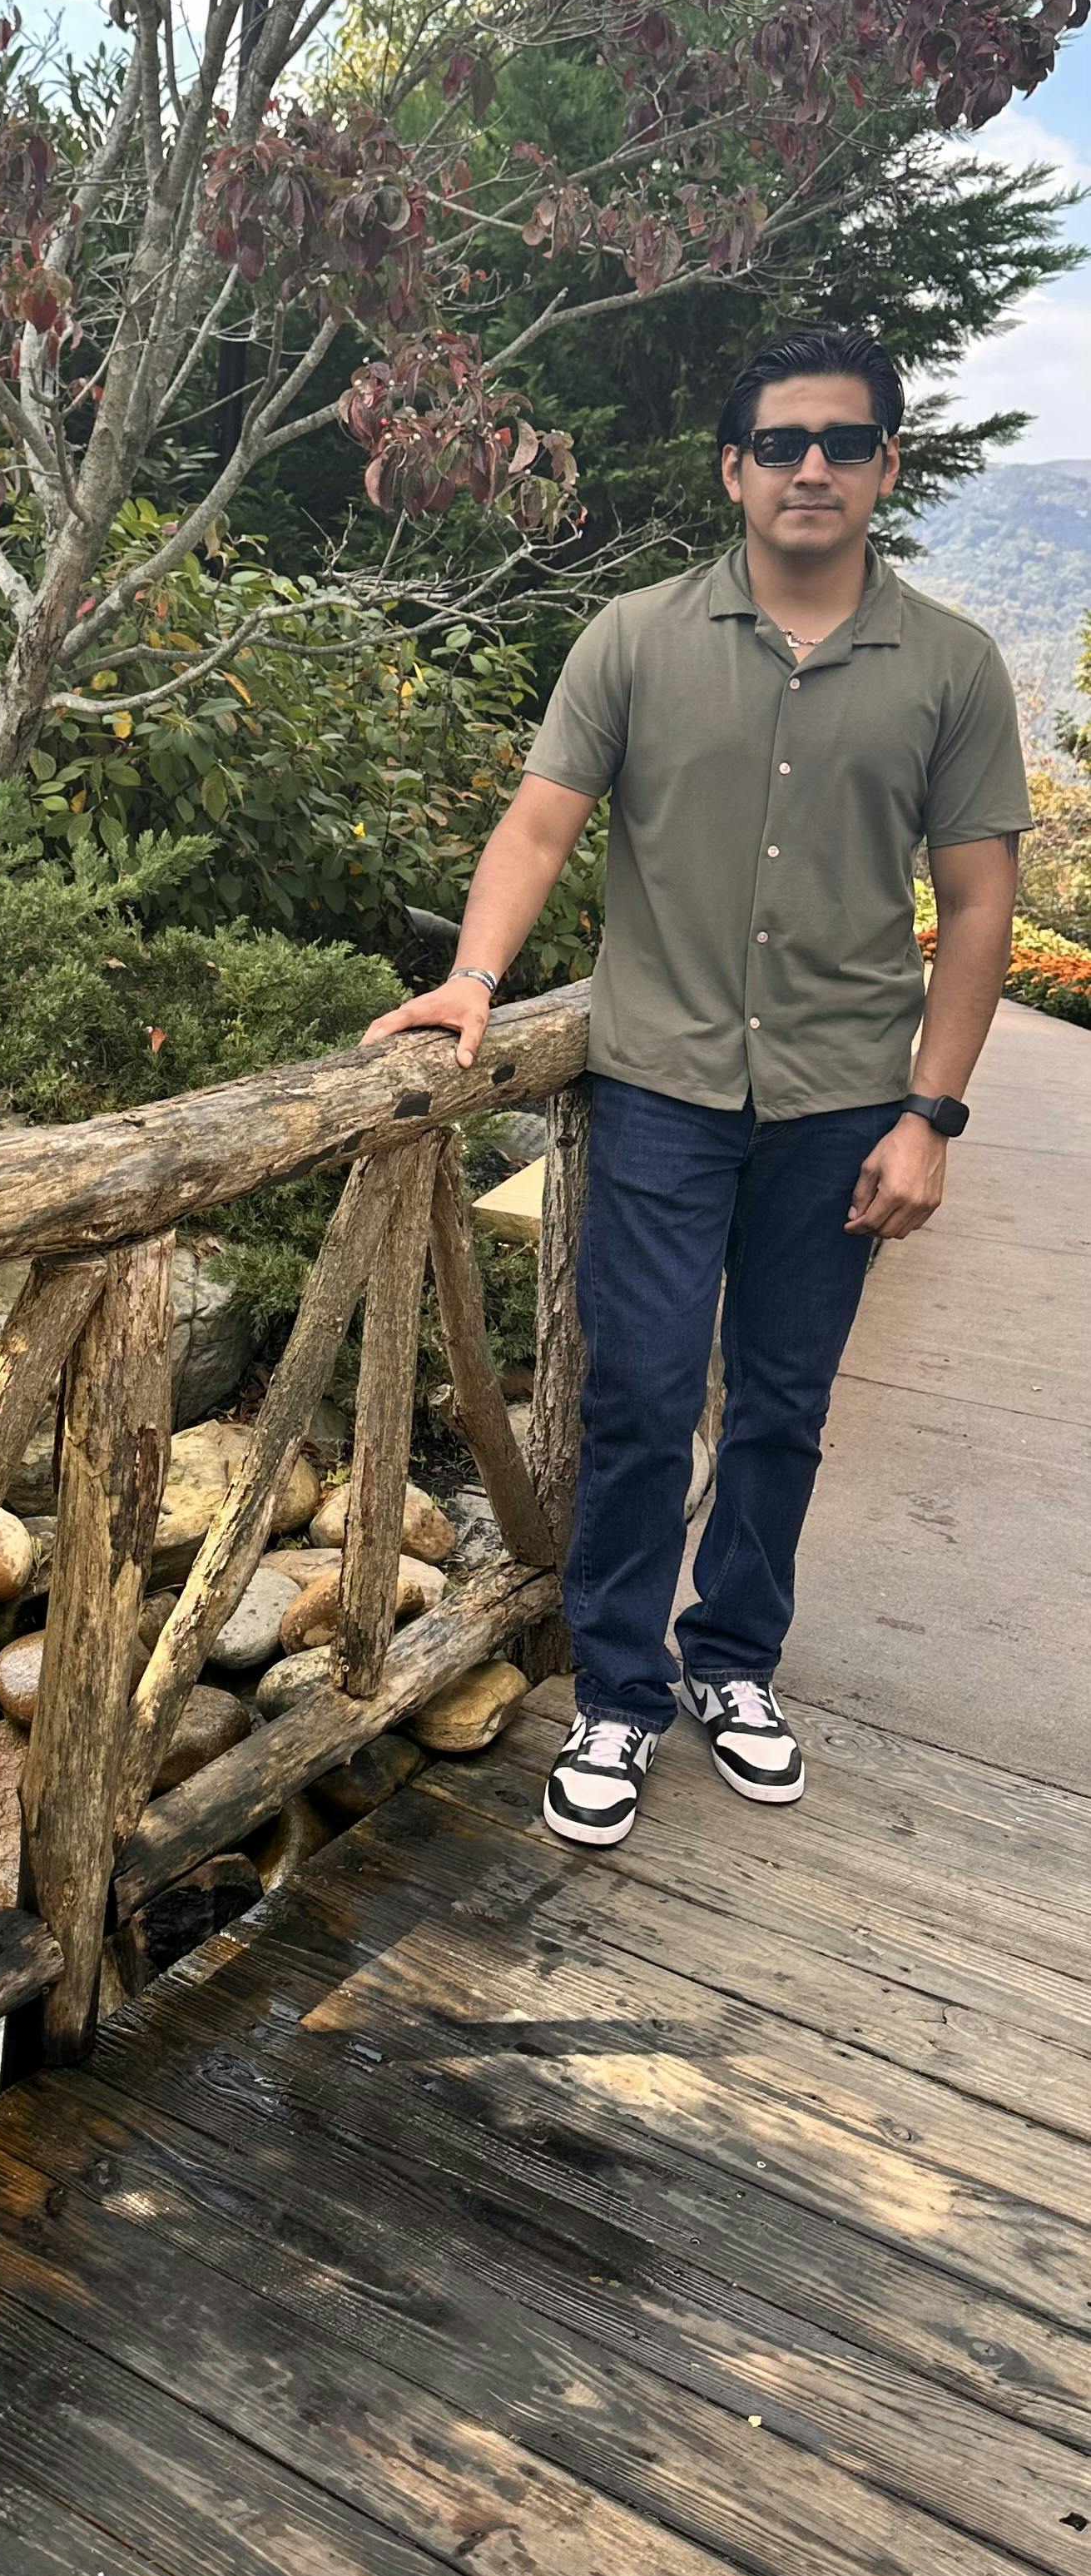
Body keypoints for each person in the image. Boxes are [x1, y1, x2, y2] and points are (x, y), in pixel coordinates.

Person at [364, 326, 1026, 1847]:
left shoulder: (952, 667)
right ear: (735, 470)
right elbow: (541, 825)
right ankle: (618, 1691)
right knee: (646, 1395)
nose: (811, 468)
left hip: (845, 1101)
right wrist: (474, 980)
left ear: (886, 465)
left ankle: (735, 1663)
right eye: (781, 443)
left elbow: (980, 903)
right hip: (661, 1087)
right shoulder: (636, 638)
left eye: (843, 442)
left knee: (783, 1403)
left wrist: (932, 1115)